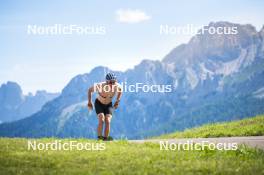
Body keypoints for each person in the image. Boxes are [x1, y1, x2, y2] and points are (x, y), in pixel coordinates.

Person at [87, 73, 122, 141]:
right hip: (99, 103)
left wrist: (117, 101)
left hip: (109, 104)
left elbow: (120, 91)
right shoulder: (100, 85)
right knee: (101, 119)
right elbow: (89, 90)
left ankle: (106, 139)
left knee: (108, 121)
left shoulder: (117, 86)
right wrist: (89, 102)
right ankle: (100, 138)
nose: (112, 84)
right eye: (110, 82)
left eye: (113, 82)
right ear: (106, 82)